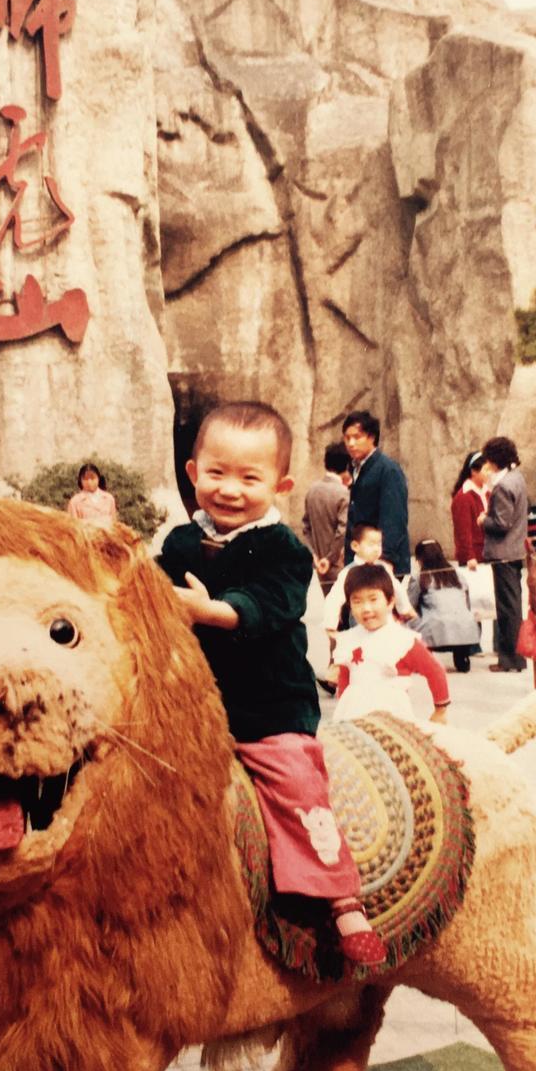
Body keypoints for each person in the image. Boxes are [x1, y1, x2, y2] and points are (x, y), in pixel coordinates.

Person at [156, 401, 384, 964]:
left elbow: (269, 605)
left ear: (280, 485)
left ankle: (339, 894)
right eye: (216, 473)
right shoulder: (181, 543)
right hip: (194, 705)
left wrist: (211, 611)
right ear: (192, 473)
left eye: (249, 478)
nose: (230, 489)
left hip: (268, 707)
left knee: (296, 785)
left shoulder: (284, 549)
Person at [333, 564, 451, 724]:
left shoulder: (402, 641)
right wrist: (342, 705)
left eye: (373, 599)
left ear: (390, 602)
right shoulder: (349, 639)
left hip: (392, 715)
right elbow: (345, 677)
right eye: (357, 601)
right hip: (353, 713)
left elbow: (434, 670)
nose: (366, 608)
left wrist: (440, 710)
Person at [478, 436, 529, 673]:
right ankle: (514, 657)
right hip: (516, 551)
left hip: (503, 552)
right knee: (513, 604)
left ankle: (510, 658)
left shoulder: (503, 486)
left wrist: (483, 520)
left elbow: (501, 523)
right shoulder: (517, 479)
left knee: (507, 608)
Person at [342, 410, 410, 574]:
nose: (351, 443)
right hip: (360, 559)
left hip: (382, 563)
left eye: (357, 437)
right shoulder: (355, 467)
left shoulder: (388, 470)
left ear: (372, 437)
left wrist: (385, 558)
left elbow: (394, 518)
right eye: (347, 438)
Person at [322, 523, 416, 634]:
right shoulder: (349, 572)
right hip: (362, 623)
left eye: (379, 544)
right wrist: (330, 626)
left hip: (384, 620)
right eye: (371, 545)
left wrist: (406, 610)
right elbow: (334, 599)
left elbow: (397, 590)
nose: (376, 549)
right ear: (355, 546)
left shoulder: (383, 567)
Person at [407, 538, 481, 672]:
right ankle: (462, 656)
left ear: (420, 559)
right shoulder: (457, 574)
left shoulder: (419, 577)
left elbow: (409, 605)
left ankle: (424, 656)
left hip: (435, 634)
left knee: (408, 619)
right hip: (466, 631)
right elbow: (467, 603)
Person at [301, 442, 351, 590]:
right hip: (338, 563)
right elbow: (343, 530)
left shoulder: (312, 490)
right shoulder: (344, 494)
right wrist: (330, 559)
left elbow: (306, 527)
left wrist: (315, 556)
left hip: (320, 564)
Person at [450, 451, 489, 569]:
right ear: (473, 471)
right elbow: (463, 531)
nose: (489, 473)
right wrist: (469, 556)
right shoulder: (463, 497)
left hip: (487, 555)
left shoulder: (488, 492)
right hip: (474, 559)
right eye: (486, 470)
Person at [66, 463, 117, 527]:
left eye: (92, 478)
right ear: (80, 480)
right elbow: (72, 527)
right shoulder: (74, 502)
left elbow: (114, 524)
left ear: (98, 478)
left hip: (106, 536)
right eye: (85, 479)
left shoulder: (109, 498)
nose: (89, 482)